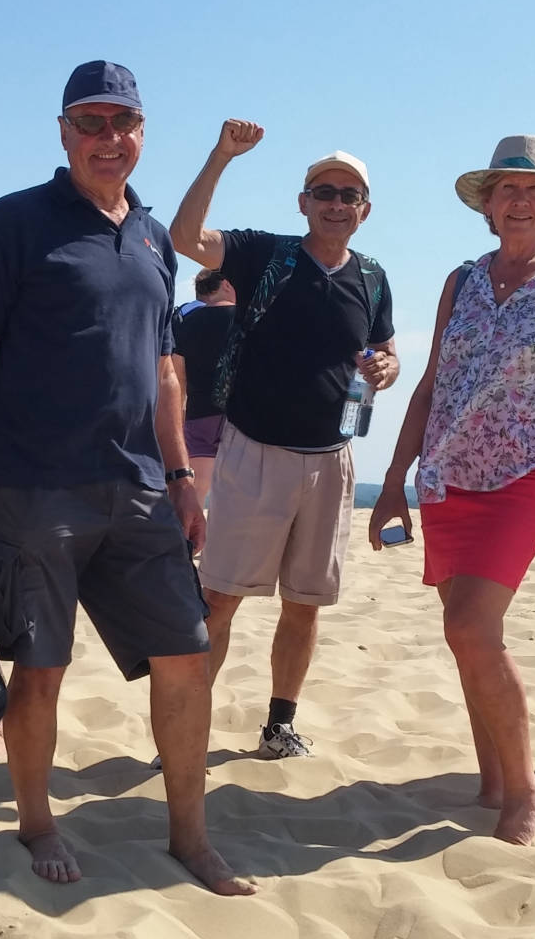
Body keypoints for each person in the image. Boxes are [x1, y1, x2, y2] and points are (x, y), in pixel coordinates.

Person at [0, 60, 252, 896]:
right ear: (64, 132)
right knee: (41, 667)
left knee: (186, 655)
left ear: (142, 132)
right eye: (91, 123)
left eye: (123, 123)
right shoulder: (19, 218)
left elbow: (166, 367)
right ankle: (37, 822)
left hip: (140, 486)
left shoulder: (151, 235)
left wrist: (180, 475)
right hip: (33, 487)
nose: (109, 139)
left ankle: (191, 836)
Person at [368, 135, 535, 846]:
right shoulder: (462, 280)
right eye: (507, 189)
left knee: (471, 627)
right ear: (488, 205)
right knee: (468, 635)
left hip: (523, 475)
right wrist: (393, 481)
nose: (520, 200)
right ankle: (494, 778)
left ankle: (527, 789)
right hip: (446, 475)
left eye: (534, 190)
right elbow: (432, 383)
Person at [169, 122, 398, 758]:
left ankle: (279, 727)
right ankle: (185, 733)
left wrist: (387, 367)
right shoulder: (262, 253)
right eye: (324, 192)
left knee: (304, 604)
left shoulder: (372, 277)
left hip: (331, 459)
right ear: (303, 202)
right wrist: (221, 156)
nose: (336, 203)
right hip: (255, 450)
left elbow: (386, 350)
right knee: (219, 599)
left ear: (364, 210)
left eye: (348, 195)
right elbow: (185, 238)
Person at [169, 269, 236, 505]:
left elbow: (177, 375)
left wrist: (179, 416)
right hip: (240, 415)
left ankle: (189, 530)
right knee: (239, 495)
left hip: (199, 414)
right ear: (226, 285)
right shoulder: (245, 318)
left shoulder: (186, 322)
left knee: (196, 492)